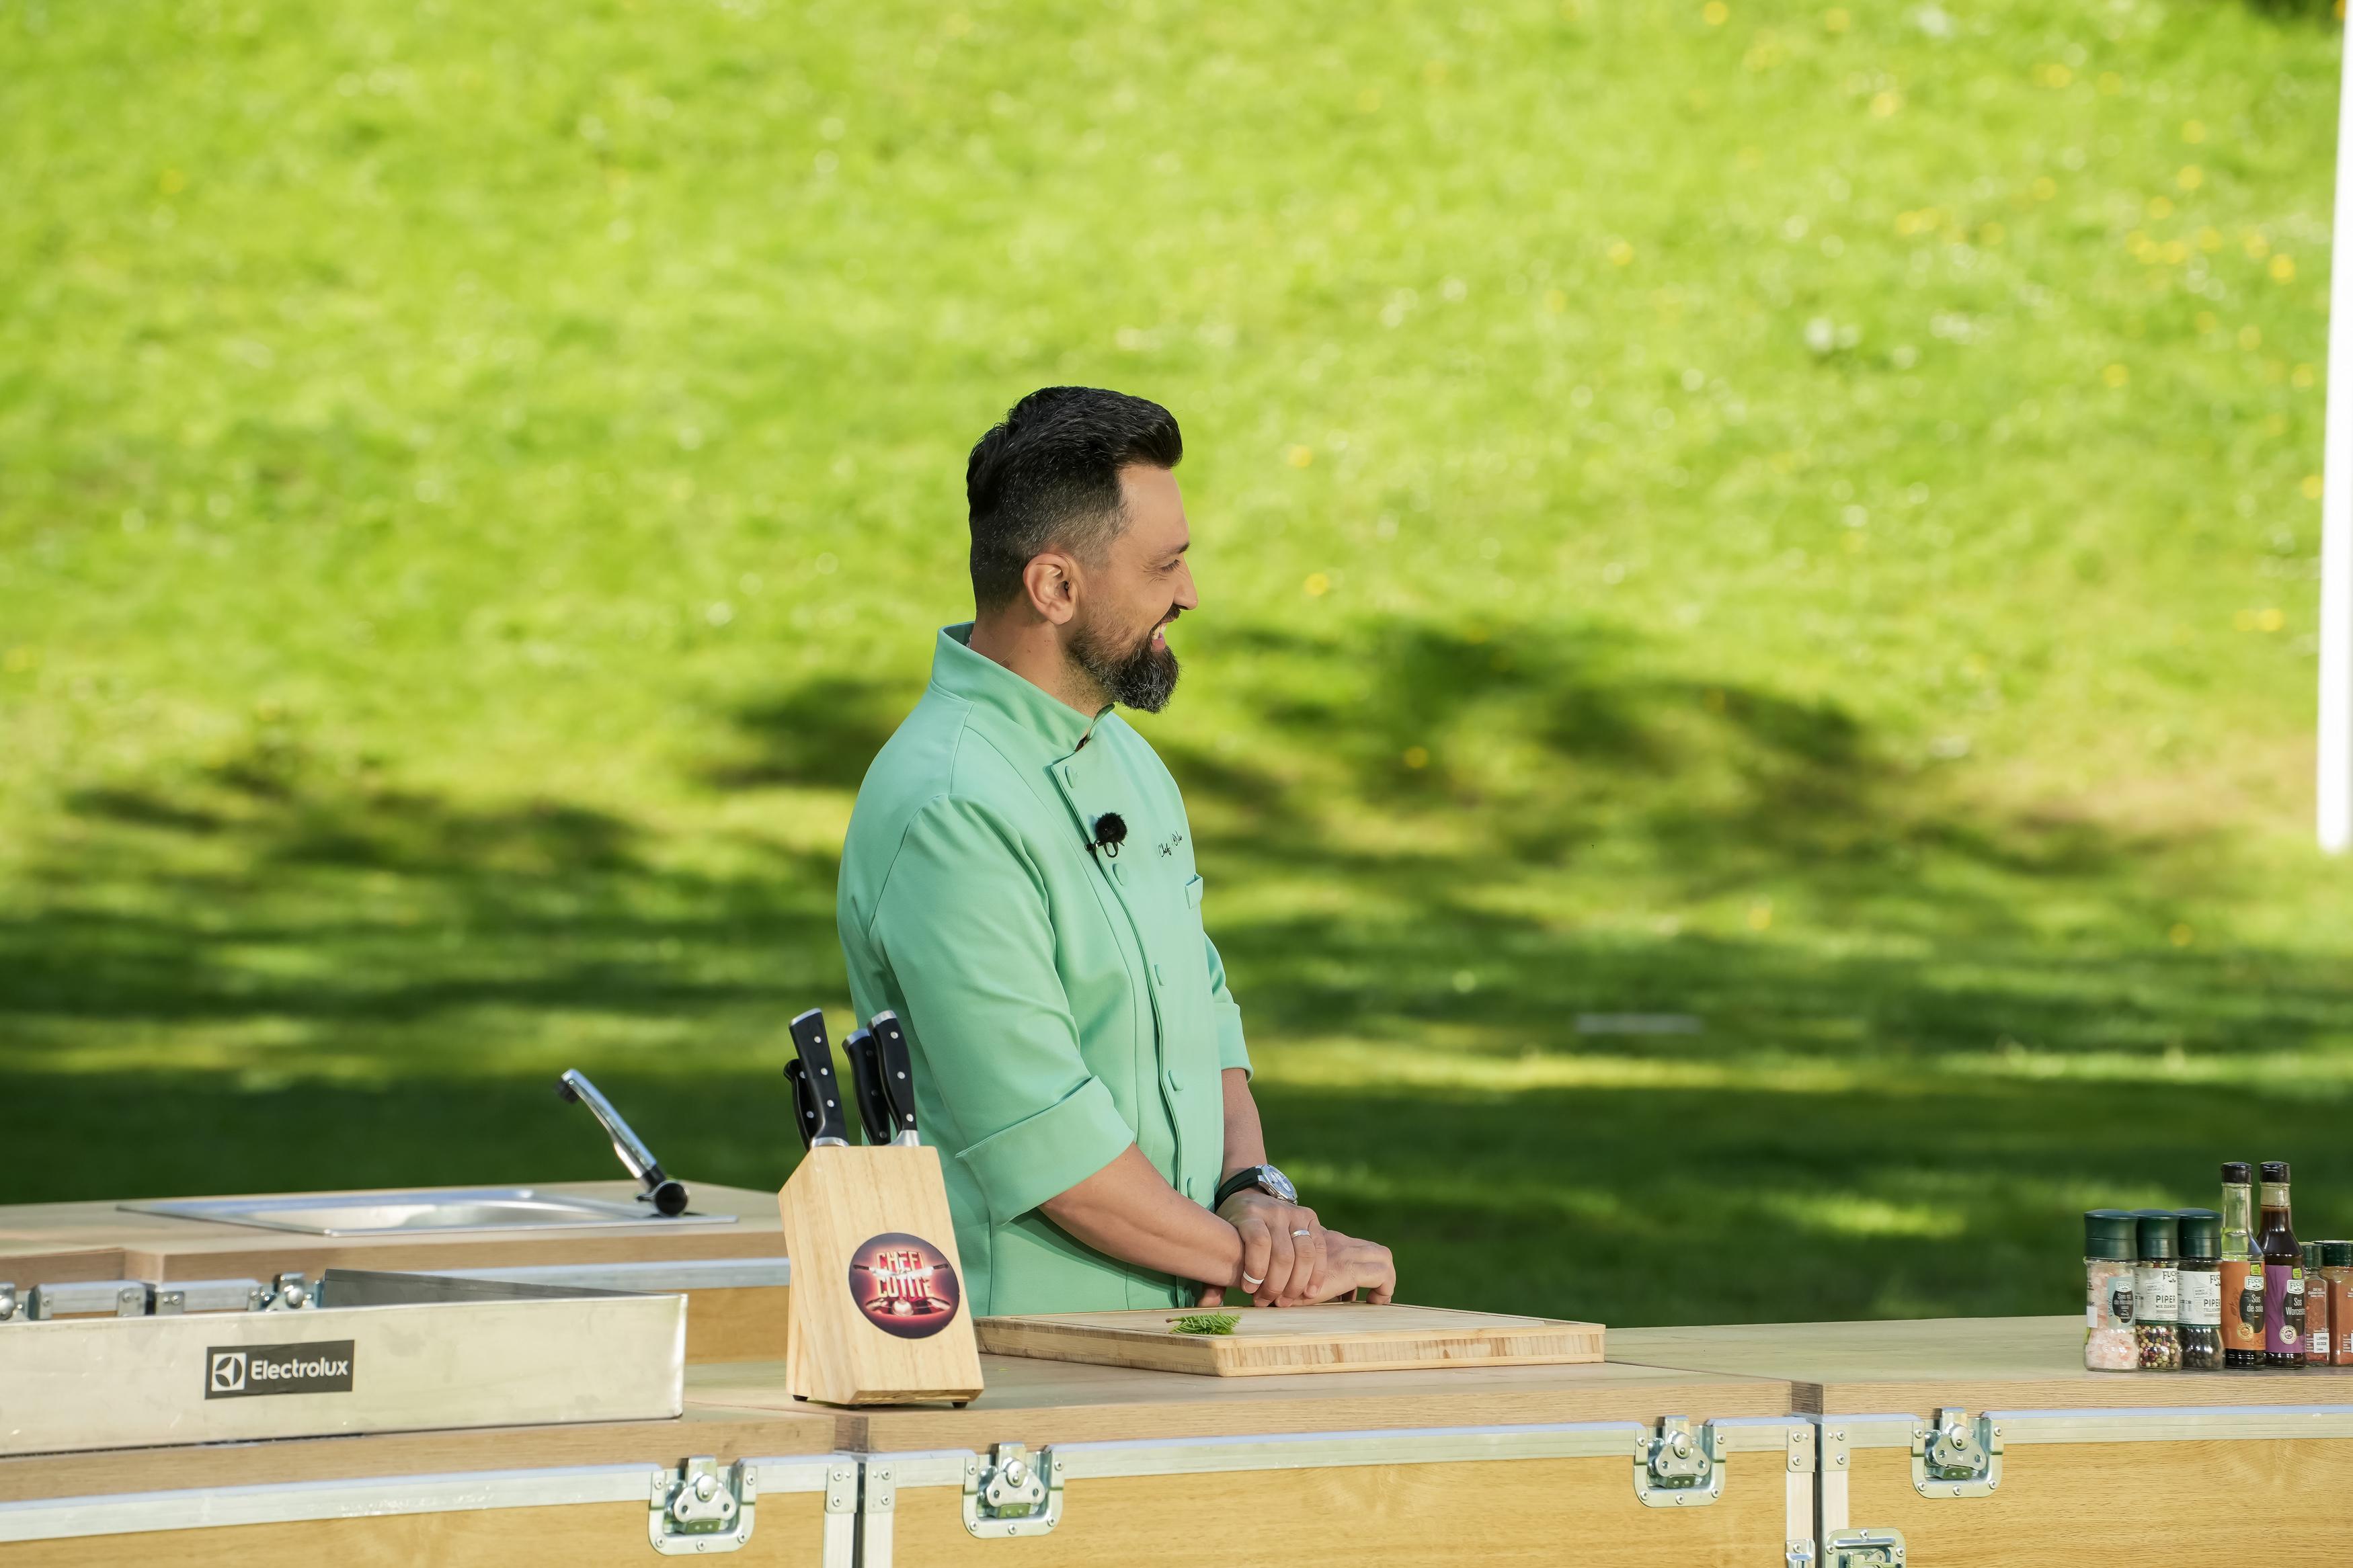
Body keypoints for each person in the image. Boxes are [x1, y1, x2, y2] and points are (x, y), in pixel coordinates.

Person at [836, 386, 1398, 1315]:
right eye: (1164, 565)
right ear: (1055, 587)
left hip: (1173, 1339)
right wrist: (1274, 1265)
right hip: (1021, 1359)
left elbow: (1204, 1010)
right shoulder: (950, 807)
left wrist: (1253, 1190)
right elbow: (1044, 1141)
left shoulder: (1129, 759)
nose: (1189, 593)